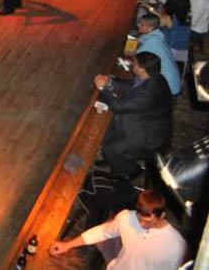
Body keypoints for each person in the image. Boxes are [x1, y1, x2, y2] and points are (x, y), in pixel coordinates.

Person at [49, 190, 186, 269]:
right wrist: (67, 245)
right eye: (140, 219)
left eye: (149, 221)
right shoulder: (126, 218)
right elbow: (103, 232)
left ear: (161, 215)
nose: (142, 225)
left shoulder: (177, 246)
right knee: (110, 225)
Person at [93, 52, 172, 177]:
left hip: (149, 136)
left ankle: (130, 171)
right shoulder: (153, 77)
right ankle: (111, 159)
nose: (131, 65)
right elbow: (131, 85)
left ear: (142, 69)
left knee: (111, 148)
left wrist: (102, 89)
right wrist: (110, 82)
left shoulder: (149, 91)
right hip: (143, 120)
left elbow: (118, 107)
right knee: (106, 132)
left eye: (134, 64)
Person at [137, 14, 182, 97]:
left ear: (150, 28)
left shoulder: (153, 42)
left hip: (170, 88)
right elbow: (140, 39)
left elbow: (136, 59)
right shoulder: (157, 34)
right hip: (172, 81)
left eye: (142, 24)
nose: (138, 25)